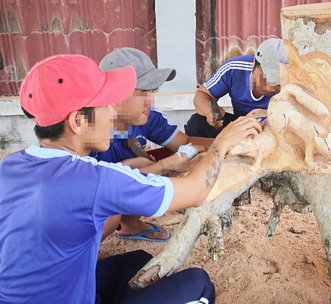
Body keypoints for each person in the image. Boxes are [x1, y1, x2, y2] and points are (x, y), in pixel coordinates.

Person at [0, 54, 261, 303]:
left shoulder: (11, 165)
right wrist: (222, 144)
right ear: (78, 121)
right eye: (106, 106)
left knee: (136, 263)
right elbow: (194, 192)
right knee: (199, 284)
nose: (112, 114)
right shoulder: (95, 179)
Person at [95, 47, 213, 243]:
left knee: (153, 160)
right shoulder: (87, 131)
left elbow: (184, 143)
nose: (150, 102)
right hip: (95, 199)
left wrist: (228, 140)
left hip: (118, 185)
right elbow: (92, 187)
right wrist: (159, 167)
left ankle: (131, 224)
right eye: (142, 93)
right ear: (115, 97)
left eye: (152, 92)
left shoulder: (150, 118)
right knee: (111, 213)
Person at [185, 38, 288, 138]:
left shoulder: (294, 80)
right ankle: (211, 153)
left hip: (274, 130)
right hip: (240, 126)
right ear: (254, 64)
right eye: (266, 78)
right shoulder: (234, 68)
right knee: (196, 124)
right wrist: (210, 111)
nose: (271, 88)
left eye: (278, 83)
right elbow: (203, 94)